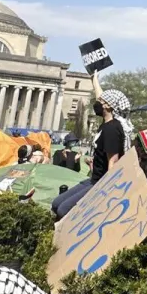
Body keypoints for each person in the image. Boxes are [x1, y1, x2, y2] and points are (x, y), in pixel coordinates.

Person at [50, 87, 132, 220]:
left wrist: (108, 190)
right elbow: (102, 94)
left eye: (101, 101)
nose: (98, 103)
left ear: (108, 106)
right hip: (93, 178)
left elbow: (114, 161)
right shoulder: (105, 125)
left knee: (63, 210)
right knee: (56, 203)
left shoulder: (112, 129)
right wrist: (94, 77)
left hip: (101, 182)